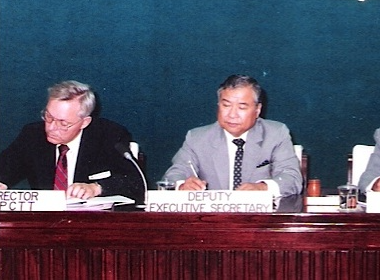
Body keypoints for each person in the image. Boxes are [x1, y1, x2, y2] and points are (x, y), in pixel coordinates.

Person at [0, 80, 143, 201]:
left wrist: (96, 187)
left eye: (63, 123)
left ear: (84, 122)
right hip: (43, 224)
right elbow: (7, 166)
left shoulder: (109, 136)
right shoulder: (33, 135)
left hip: (91, 225)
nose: (51, 128)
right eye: (48, 117)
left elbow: (136, 182)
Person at [163, 74, 302, 197]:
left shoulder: (275, 134)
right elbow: (174, 174)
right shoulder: (197, 138)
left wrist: (263, 187)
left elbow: (291, 178)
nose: (232, 115)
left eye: (242, 107)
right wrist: (182, 185)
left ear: (257, 110)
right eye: (226, 105)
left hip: (259, 221)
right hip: (211, 221)